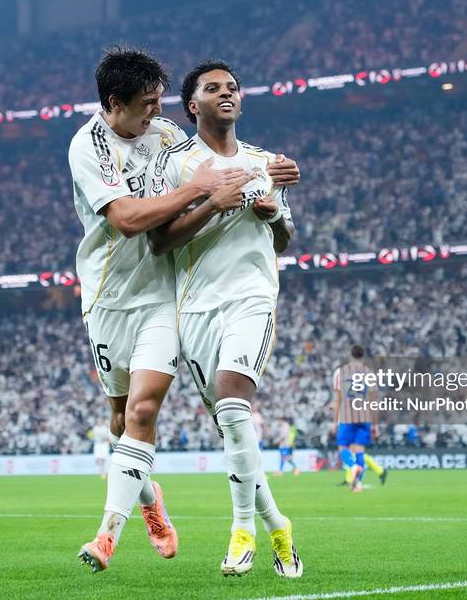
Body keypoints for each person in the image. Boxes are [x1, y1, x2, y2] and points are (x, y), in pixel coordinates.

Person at [73, 47, 263, 573]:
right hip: (108, 297)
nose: (159, 112)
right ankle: (149, 496)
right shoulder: (88, 146)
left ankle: (107, 535)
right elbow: (129, 220)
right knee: (119, 419)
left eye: (160, 100)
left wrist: (266, 175)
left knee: (142, 411)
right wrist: (198, 190)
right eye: (148, 103)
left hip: (161, 295)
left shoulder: (166, 136)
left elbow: (215, 163)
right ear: (115, 103)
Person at [147, 59, 302, 578]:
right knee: (232, 430)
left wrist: (273, 214)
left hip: (252, 296)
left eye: (232, 87)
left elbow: (284, 239)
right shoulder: (175, 164)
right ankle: (278, 524)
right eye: (213, 89)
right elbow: (159, 242)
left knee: (234, 403)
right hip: (194, 306)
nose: (226, 93)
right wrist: (213, 203)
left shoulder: (266, 163)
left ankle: (242, 530)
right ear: (193, 105)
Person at [332, 345, 387, 492]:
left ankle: (352, 467)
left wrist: (335, 421)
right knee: (359, 450)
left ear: (350, 355)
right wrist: (375, 425)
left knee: (343, 449)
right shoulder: (369, 374)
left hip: (347, 416)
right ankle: (358, 484)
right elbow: (373, 401)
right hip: (364, 416)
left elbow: (337, 399)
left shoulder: (340, 372)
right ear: (363, 357)